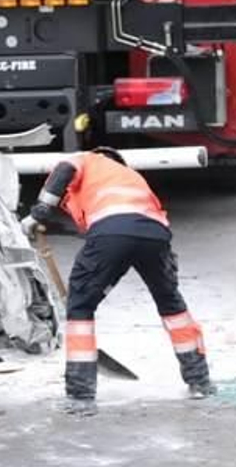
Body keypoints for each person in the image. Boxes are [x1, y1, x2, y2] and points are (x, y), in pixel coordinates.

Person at [23, 146, 216, 401]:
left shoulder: (86, 159)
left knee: (80, 306)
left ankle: (80, 393)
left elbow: (64, 170)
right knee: (171, 304)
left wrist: (38, 213)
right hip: (154, 235)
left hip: (110, 233)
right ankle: (199, 381)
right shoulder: (132, 177)